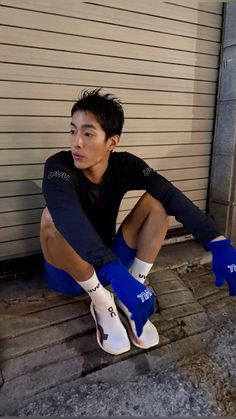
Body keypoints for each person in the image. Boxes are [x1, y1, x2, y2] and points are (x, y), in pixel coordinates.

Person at [40, 88, 236, 355]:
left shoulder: (124, 165)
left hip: (110, 263)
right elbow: (67, 217)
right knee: (51, 217)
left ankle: (132, 290)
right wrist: (112, 270)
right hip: (71, 276)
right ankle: (101, 302)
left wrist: (217, 240)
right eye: (72, 130)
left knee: (157, 202)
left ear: (112, 142)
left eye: (88, 133)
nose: (76, 142)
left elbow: (168, 192)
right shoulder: (58, 166)